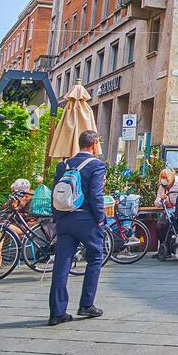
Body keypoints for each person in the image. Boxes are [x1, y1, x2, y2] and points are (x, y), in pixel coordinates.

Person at [48, 130, 107, 327]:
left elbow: (56, 193)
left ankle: (57, 312)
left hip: (64, 218)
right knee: (95, 258)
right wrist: (100, 220)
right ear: (93, 144)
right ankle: (86, 304)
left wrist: (57, 218)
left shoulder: (63, 165)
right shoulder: (96, 165)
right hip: (86, 219)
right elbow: (96, 196)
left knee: (61, 265)